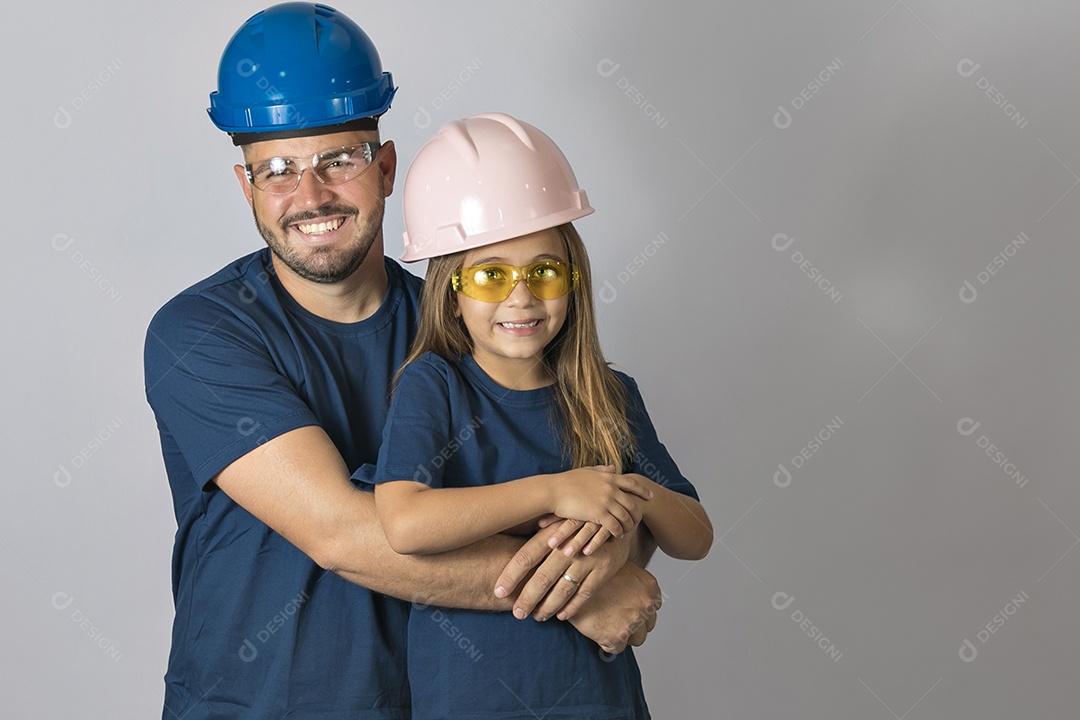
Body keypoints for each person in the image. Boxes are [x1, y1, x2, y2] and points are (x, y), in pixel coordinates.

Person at [143, 5, 663, 719]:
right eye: (279, 171)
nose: (311, 195)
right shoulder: (202, 333)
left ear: (385, 167)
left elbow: (578, 475)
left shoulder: (471, 322)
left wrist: (616, 544)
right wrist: (585, 593)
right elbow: (343, 534)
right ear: (247, 188)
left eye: (339, 159)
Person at [357, 112, 713, 719]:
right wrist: (556, 490)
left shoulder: (610, 394)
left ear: (574, 280)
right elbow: (405, 524)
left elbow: (695, 536)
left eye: (544, 272)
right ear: (451, 290)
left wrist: (628, 497)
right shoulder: (433, 385)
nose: (521, 297)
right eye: (491, 276)